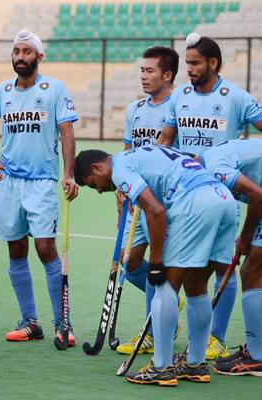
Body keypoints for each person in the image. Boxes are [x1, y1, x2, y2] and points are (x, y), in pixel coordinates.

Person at [75, 146, 237, 386]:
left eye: (93, 183)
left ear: (97, 167)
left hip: (194, 202)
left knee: (165, 287)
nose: (99, 189)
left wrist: (157, 262)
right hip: (223, 199)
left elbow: (156, 210)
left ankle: (161, 367)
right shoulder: (143, 155)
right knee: (196, 284)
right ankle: (195, 364)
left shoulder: (120, 168)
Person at [158, 33, 262, 359]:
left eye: (194, 63)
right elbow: (166, 139)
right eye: (186, 63)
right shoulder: (179, 96)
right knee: (191, 266)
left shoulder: (237, 97)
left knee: (223, 265)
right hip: (188, 191)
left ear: (212, 63)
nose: (188, 69)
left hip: (226, 190)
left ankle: (216, 337)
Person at [0, 28, 79, 345]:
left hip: (42, 183)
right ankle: (30, 322)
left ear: (39, 56)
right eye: (16, 52)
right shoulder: (2, 91)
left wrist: (69, 173)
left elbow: (66, 133)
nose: (20, 57)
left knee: (46, 248)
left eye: (27, 52)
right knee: (16, 248)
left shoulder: (55, 89)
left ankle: (64, 323)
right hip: (9, 184)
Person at [116, 46, 183, 355]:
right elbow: (129, 151)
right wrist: (122, 188)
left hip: (166, 201)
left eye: (150, 71)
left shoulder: (179, 108)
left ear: (167, 75)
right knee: (129, 264)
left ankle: (153, 331)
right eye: (141, 70)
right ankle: (169, 298)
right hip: (137, 198)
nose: (143, 76)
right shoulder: (135, 109)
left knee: (158, 262)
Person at [200, 139, 262, 376]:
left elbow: (257, 195)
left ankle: (257, 357)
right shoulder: (212, 161)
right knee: (254, 271)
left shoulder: (215, 166)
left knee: (251, 272)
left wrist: (246, 236)